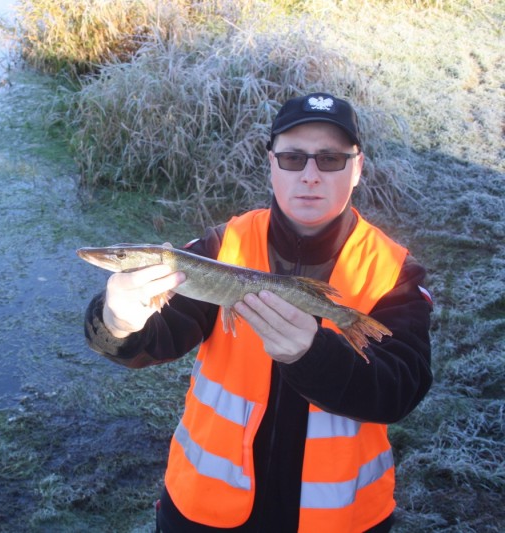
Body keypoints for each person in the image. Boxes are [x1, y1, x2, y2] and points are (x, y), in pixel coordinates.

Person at [83, 92, 433, 532]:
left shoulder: (394, 271)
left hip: (336, 519)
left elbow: (401, 390)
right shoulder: (221, 247)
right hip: (205, 511)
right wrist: (117, 320)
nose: (309, 176)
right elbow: (151, 342)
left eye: (329, 160)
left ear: (357, 167)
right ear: (271, 163)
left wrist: (314, 355)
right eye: (292, 159)